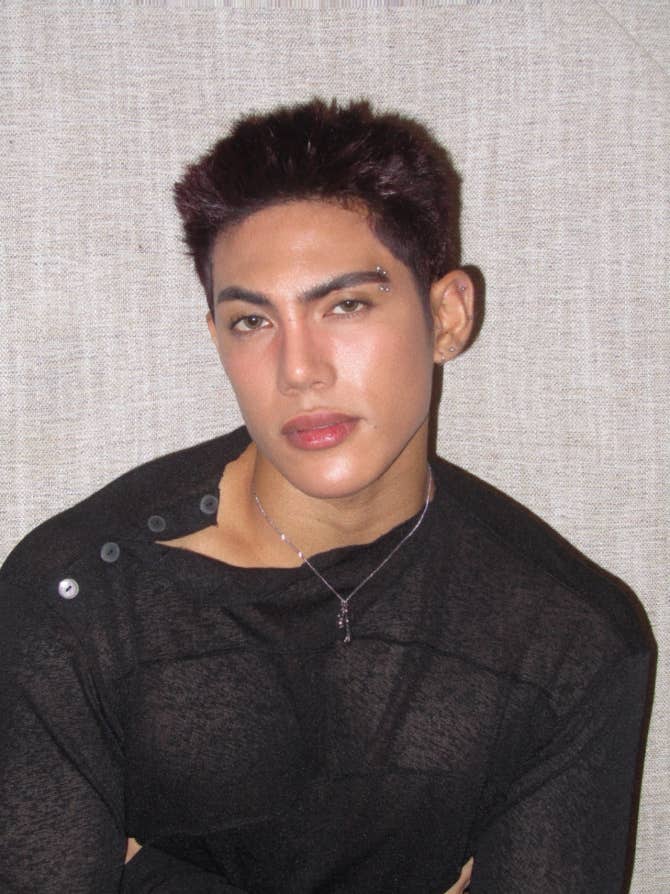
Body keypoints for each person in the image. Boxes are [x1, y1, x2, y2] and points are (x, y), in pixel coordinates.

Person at [0, 98, 653, 894]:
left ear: (447, 315)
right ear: (217, 338)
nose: (299, 370)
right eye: (252, 321)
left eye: (345, 305)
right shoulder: (83, 599)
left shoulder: (565, 639)